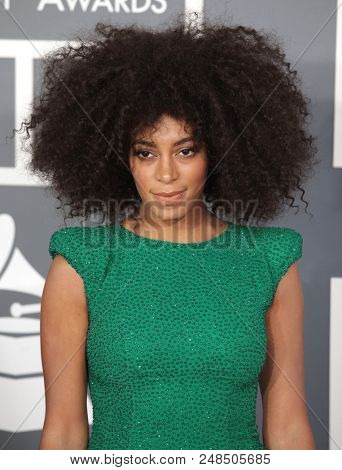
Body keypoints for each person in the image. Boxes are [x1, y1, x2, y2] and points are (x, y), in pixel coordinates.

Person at [20, 12, 318, 450]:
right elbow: (63, 430)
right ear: (119, 157)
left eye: (185, 150)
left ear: (219, 150)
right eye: (145, 152)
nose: (165, 174)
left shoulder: (268, 260)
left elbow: (289, 427)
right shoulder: (83, 262)